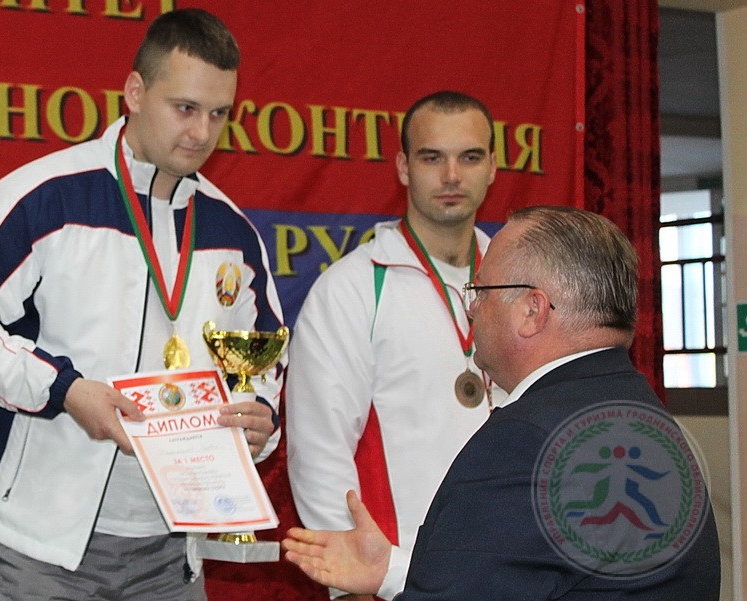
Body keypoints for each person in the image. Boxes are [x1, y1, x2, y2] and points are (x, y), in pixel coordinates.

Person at [0, 9, 284, 601]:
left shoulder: (232, 231)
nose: (201, 132)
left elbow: (263, 358)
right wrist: (63, 389)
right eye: (185, 108)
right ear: (135, 92)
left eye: (219, 114)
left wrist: (259, 414)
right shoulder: (45, 196)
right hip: (43, 547)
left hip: (173, 552)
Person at [282, 206, 721, 600]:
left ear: (532, 310)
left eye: (481, 291)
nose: (472, 309)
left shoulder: (525, 443)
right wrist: (390, 569)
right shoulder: (641, 416)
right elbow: (522, 575)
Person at [286, 90, 501, 600]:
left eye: (470, 157)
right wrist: (350, 584)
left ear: (493, 166)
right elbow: (319, 452)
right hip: (397, 578)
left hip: (508, 570)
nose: (452, 176)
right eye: (432, 158)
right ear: (404, 166)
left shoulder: (517, 282)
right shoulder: (352, 288)